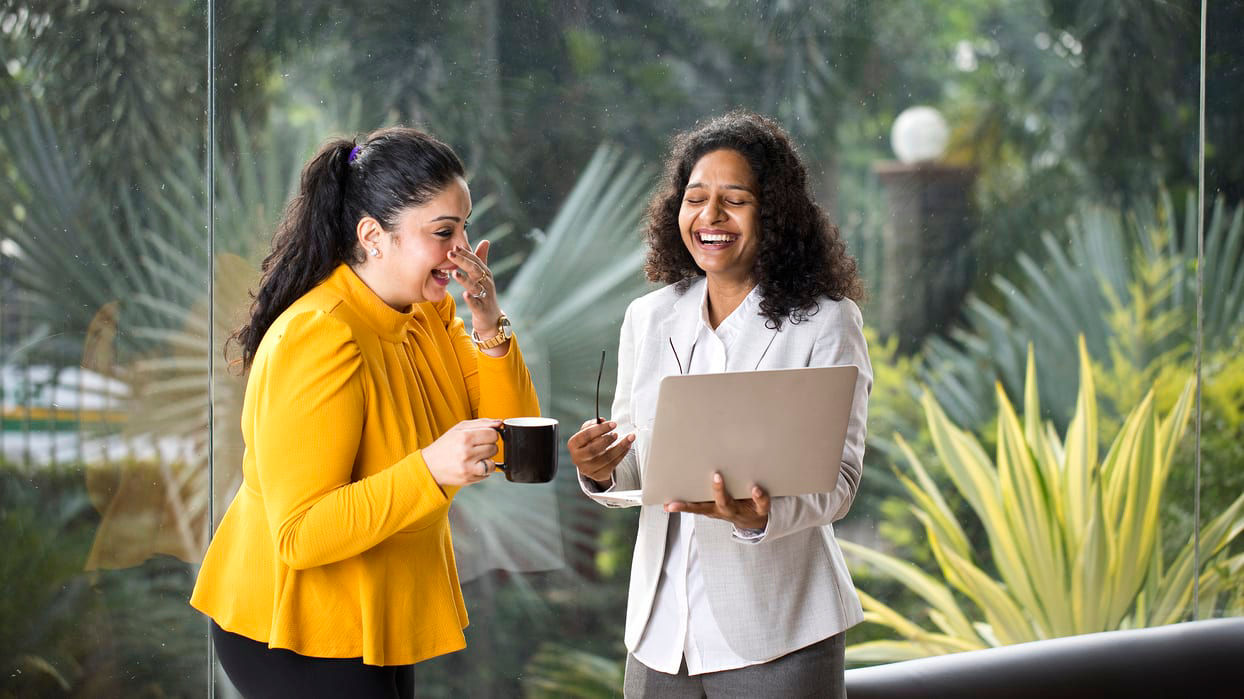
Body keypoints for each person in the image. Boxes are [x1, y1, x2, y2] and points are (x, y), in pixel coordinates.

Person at [190, 127, 540, 699]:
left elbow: (510, 440)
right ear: (374, 236)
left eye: (464, 227)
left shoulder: (425, 316)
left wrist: (488, 322)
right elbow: (300, 534)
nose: (462, 249)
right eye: (444, 231)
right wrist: (430, 469)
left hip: (375, 611)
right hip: (296, 628)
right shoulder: (320, 336)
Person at [568, 111, 871, 698]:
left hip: (779, 630)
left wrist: (761, 518)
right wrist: (601, 469)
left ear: (775, 215)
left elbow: (840, 481)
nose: (710, 216)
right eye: (696, 198)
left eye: (734, 200)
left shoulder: (827, 323)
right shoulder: (649, 318)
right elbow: (639, 463)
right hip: (660, 633)